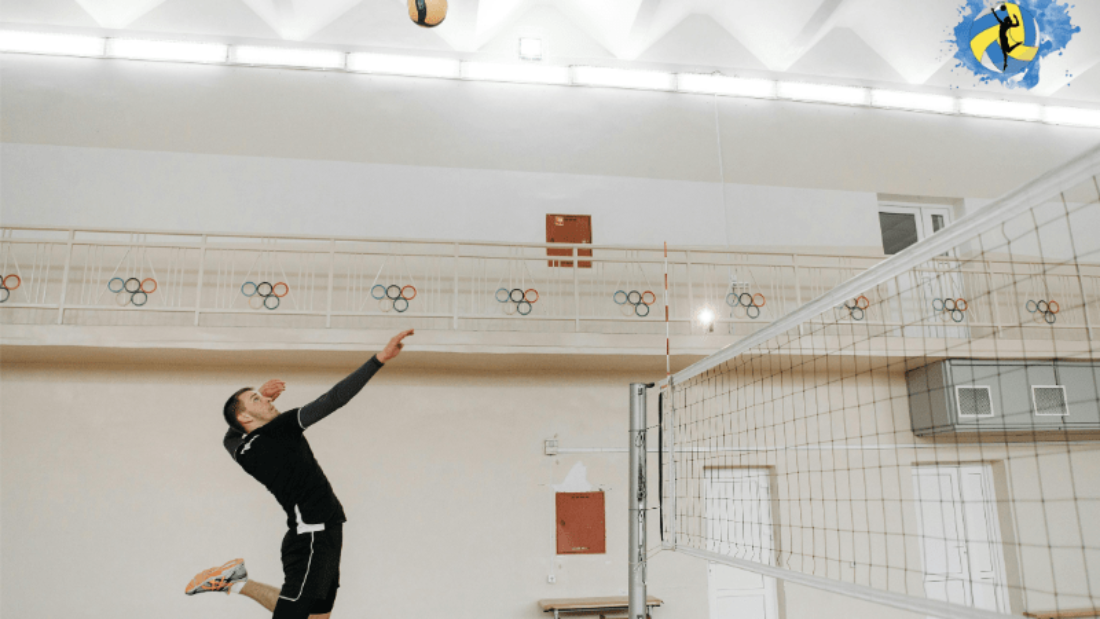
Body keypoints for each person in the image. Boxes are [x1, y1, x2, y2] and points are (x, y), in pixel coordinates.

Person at [185, 329, 415, 619]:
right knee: (295, 615)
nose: (268, 400)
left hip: (327, 528)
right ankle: (236, 581)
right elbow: (334, 399)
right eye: (257, 400)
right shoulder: (282, 428)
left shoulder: (242, 451)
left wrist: (254, 399)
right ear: (245, 417)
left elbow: (230, 434)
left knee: (315, 616)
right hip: (312, 536)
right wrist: (379, 359)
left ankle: (237, 581)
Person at [992, 4, 1022, 72]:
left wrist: (993, 11)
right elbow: (1017, 24)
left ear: (1006, 20)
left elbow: (997, 17)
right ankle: (1005, 64)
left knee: (1006, 51)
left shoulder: (1004, 24)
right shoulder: (1007, 24)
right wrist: (1016, 18)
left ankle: (1005, 63)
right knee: (1006, 52)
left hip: (1003, 39)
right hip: (1003, 39)